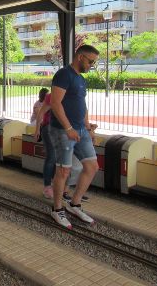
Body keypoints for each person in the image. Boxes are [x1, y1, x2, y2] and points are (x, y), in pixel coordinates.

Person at [49, 45, 100, 229]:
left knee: (92, 166)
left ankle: (74, 204)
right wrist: (68, 127)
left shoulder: (80, 79)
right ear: (80, 57)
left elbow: (82, 104)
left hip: (80, 129)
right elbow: (55, 103)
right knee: (63, 171)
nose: (92, 65)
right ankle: (57, 209)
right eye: (90, 61)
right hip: (63, 131)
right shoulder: (64, 74)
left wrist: (88, 127)